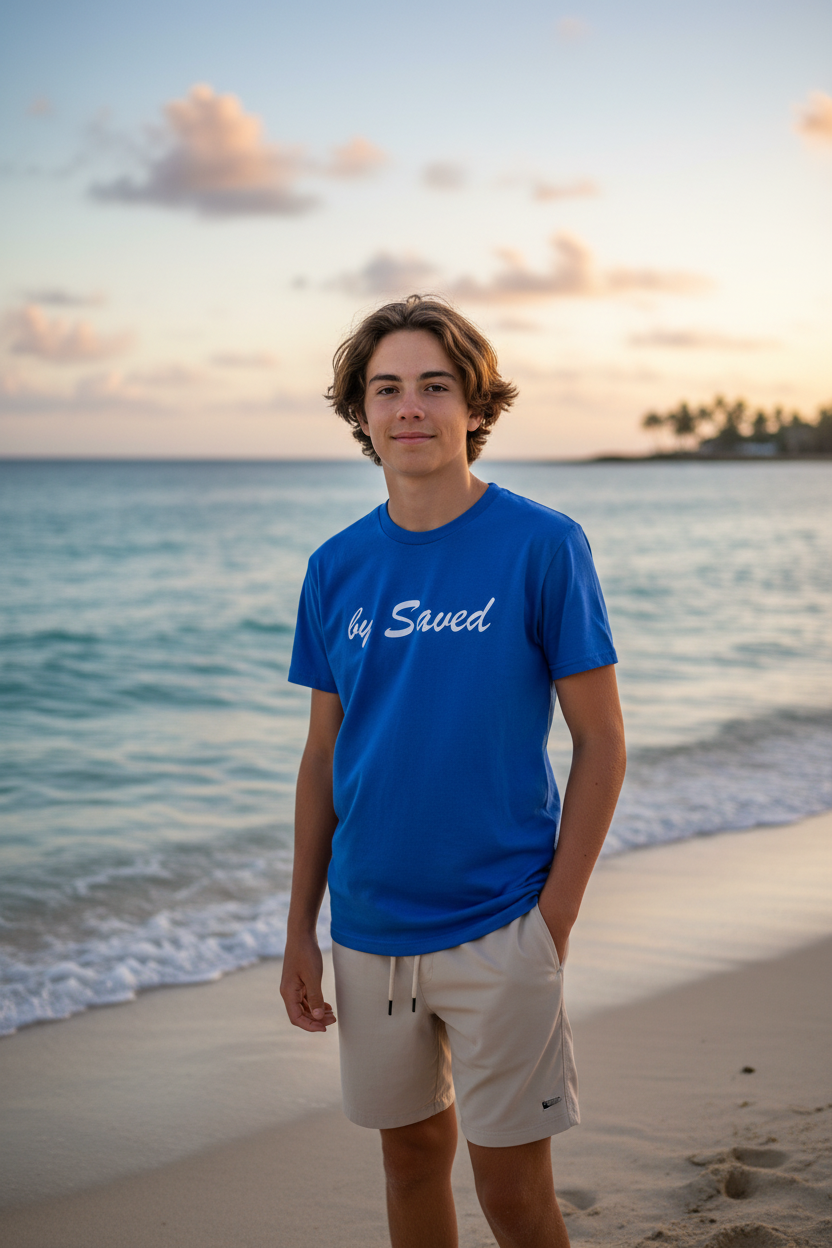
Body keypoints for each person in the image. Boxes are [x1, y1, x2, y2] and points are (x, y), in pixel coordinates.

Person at [280, 295, 626, 1248]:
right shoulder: (335, 567)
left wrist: (551, 922)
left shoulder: (541, 544)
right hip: (369, 930)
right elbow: (322, 759)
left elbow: (601, 742)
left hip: (501, 925)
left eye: (435, 386)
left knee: (515, 1197)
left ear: (476, 403)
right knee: (408, 1164)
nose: (410, 410)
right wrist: (300, 931)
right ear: (361, 413)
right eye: (386, 389)